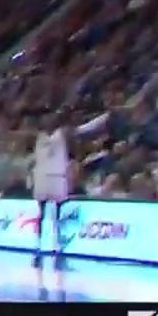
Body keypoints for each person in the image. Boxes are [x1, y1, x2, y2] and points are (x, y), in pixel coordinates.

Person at [31, 110, 110, 269]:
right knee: (41, 214)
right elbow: (18, 136)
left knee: (58, 215)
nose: (49, 120)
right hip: (42, 177)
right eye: (46, 117)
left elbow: (84, 130)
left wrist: (102, 119)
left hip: (57, 176)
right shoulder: (36, 135)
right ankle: (38, 246)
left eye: (52, 117)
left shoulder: (63, 133)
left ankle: (58, 244)